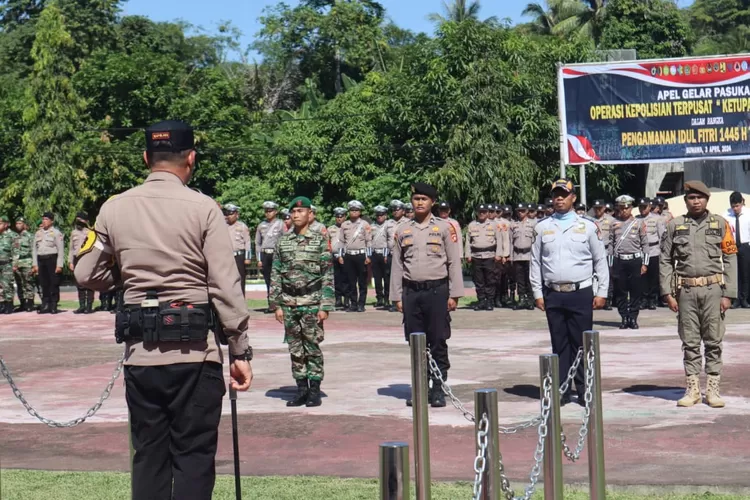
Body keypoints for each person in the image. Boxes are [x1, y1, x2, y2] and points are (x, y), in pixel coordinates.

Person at [74, 120, 253, 498]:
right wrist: (239, 349)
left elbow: (86, 273)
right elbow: (225, 285)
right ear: (191, 158)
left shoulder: (113, 208)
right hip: (194, 355)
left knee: (150, 456)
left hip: (142, 356)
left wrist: (127, 279)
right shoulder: (204, 208)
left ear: (145, 158)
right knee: (193, 457)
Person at [531, 179, 608, 405]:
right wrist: (537, 292)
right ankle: (562, 389)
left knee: (581, 343)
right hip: (553, 293)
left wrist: (602, 291)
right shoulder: (542, 227)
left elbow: (600, 260)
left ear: (573, 197)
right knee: (559, 343)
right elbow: (535, 262)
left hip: (580, 292)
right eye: (555, 194)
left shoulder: (588, 226)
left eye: (564, 194)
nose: (559, 198)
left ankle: (585, 389)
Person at [660, 181, 737, 408]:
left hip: (714, 290)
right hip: (686, 291)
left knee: (714, 341)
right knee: (690, 342)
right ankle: (692, 389)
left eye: (700, 198)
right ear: (686, 201)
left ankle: (712, 389)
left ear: (707, 200)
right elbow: (665, 259)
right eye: (691, 198)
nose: (696, 202)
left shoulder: (721, 224)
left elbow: (730, 258)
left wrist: (729, 294)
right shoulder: (675, 225)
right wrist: (667, 292)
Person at [390, 182, 463, 408]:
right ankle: (420, 387)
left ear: (432, 202)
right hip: (412, 292)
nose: (419, 202)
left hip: (437, 292)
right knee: (416, 341)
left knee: (438, 340)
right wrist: (397, 296)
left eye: (424, 199)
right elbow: (397, 265)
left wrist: (455, 293)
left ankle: (438, 387)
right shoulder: (403, 230)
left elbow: (453, 262)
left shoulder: (443, 228)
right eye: (416, 199)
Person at [270, 196, 334, 407]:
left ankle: (314, 390)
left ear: (310, 214)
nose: (296, 215)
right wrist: (277, 305)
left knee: (312, 347)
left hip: (312, 301)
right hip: (289, 302)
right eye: (294, 212)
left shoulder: (319, 240)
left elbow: (327, 274)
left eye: (301, 211)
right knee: (295, 349)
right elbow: (276, 273)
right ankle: (301, 389)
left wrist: (325, 306)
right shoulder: (283, 241)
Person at [609, 195, 648, 329]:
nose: (624, 210)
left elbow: (645, 244)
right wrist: (611, 264)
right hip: (619, 261)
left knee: (636, 291)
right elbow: (611, 245)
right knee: (620, 291)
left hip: (635, 260)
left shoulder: (638, 223)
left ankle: (633, 317)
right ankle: (624, 317)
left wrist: (645, 263)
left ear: (631, 208)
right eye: (622, 208)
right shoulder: (613, 223)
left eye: (627, 208)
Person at [465, 204, 503, 311]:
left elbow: (499, 240)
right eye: (480, 211)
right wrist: (467, 254)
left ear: (487, 213)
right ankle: (481, 300)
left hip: (489, 255)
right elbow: (468, 242)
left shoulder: (494, 225)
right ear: (477, 213)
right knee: (479, 280)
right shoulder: (472, 225)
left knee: (490, 280)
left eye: (484, 212)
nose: (482, 213)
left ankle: (490, 301)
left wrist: (498, 254)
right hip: (476, 256)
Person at [338, 200, 371, 312]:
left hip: (361, 255)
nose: (354, 212)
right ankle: (353, 304)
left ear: (360, 211)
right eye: (352, 210)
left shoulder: (364, 224)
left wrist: (368, 256)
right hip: (348, 256)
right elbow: (341, 242)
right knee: (351, 281)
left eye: (356, 210)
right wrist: (340, 255)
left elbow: (368, 241)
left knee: (362, 281)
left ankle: (361, 304)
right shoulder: (344, 225)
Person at [637, 197, 666, 310]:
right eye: (640, 207)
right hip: (641, 251)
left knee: (653, 277)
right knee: (642, 277)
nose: (642, 210)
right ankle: (643, 300)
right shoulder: (636, 219)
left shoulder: (657, 219)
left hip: (654, 250)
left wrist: (662, 252)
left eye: (644, 207)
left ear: (649, 207)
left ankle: (652, 300)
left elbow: (662, 236)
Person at [32, 212, 64, 314]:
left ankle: (53, 305)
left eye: (46, 219)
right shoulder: (38, 233)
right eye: (43, 219)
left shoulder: (56, 233)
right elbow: (34, 250)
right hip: (41, 260)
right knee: (43, 283)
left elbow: (61, 250)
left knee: (53, 283)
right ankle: (45, 304)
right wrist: (35, 264)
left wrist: (59, 265)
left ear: (51, 221)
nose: (44, 221)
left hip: (52, 259)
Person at [256, 201, 284, 313]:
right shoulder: (261, 225)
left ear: (275, 211)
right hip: (265, 254)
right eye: (266, 211)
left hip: (276, 254)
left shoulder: (281, 224)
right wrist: (259, 259)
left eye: (270, 210)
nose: (268, 213)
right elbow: (257, 243)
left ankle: (280, 304)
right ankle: (271, 304)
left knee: (278, 280)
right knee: (268, 280)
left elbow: (285, 239)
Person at [223, 203, 252, 298]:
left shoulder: (242, 226)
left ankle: (241, 299)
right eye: (227, 214)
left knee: (240, 278)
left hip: (239, 256)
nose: (228, 216)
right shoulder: (223, 226)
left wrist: (247, 258)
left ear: (237, 214)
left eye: (231, 214)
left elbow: (247, 242)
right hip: (227, 256)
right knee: (227, 279)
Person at [726, 191, 749, 308]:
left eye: (737, 206)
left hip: (746, 246)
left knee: (745, 273)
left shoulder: (748, 213)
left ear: (742, 203)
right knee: (734, 273)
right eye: (733, 206)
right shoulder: (726, 215)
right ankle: (735, 299)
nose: (735, 209)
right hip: (732, 246)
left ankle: (744, 298)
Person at [69, 212, 95, 314]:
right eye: (77, 219)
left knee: (88, 283)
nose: (78, 221)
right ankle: (82, 306)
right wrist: (70, 261)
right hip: (77, 258)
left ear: (86, 221)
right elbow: (71, 249)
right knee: (79, 283)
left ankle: (89, 306)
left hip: (87, 258)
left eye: (81, 219)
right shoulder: (73, 233)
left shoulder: (91, 232)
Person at [511, 202, 535, 310]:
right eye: (518, 211)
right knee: (519, 279)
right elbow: (510, 241)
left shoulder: (533, 224)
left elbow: (536, 241)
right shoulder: (513, 224)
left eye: (523, 211)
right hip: (517, 255)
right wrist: (511, 257)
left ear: (527, 212)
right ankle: (521, 298)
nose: (520, 213)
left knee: (529, 279)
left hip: (529, 255)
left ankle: (530, 299)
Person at [591, 200, 614, 310]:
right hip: (592, 252)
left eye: (600, 208)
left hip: (607, 251)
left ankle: (607, 300)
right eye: (596, 208)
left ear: (604, 208)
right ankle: (593, 298)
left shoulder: (611, 220)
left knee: (607, 276)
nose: (598, 210)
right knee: (592, 277)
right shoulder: (589, 220)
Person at [12, 217, 36, 312]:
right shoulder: (14, 237)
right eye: (17, 223)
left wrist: (34, 265)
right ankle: (22, 304)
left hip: (27, 262)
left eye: (20, 223)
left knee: (28, 283)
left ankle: (30, 304)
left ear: (24, 225)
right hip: (17, 264)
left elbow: (34, 251)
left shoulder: (30, 236)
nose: (18, 225)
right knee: (19, 284)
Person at [370, 205, 391, 308]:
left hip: (384, 253)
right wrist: (369, 255)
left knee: (387, 278)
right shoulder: (372, 226)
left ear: (385, 215)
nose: (379, 217)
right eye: (378, 215)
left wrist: (386, 254)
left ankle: (387, 298)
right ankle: (379, 298)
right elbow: (369, 241)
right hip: (375, 254)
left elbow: (389, 240)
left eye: (381, 215)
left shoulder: (389, 225)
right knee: (377, 278)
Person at [328, 207, 349, 310]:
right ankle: (338, 299)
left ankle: (346, 299)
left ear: (345, 217)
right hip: (334, 256)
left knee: (346, 278)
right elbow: (327, 242)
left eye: (341, 216)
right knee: (336, 279)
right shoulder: (331, 228)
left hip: (345, 256)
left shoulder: (348, 227)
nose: (339, 218)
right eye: (337, 216)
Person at [0, 216, 17, 314]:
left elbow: (16, 251)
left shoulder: (12, 235)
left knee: (7, 285)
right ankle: (2, 304)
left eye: (0, 223)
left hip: (7, 264)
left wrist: (15, 264)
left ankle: (9, 305)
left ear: (6, 224)